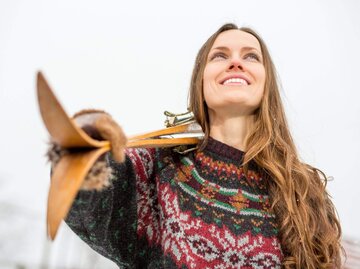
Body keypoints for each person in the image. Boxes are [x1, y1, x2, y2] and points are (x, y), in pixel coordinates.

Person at [48, 23, 343, 268]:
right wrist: (86, 141)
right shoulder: (160, 166)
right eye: (219, 55)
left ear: (268, 84)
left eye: (252, 56)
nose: (235, 61)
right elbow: (88, 205)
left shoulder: (304, 190)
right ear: (200, 80)